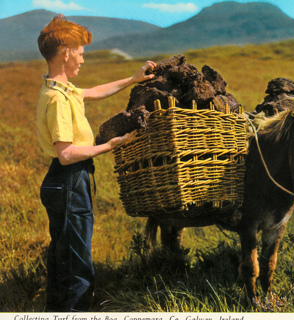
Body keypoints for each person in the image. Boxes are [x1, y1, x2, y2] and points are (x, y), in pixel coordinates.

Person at [36, 14, 156, 311]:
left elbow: (94, 92)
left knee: (63, 255)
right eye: (80, 53)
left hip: (67, 181)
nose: (83, 60)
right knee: (77, 264)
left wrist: (133, 79)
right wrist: (109, 145)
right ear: (66, 53)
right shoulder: (58, 100)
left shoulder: (60, 89)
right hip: (69, 180)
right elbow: (66, 154)